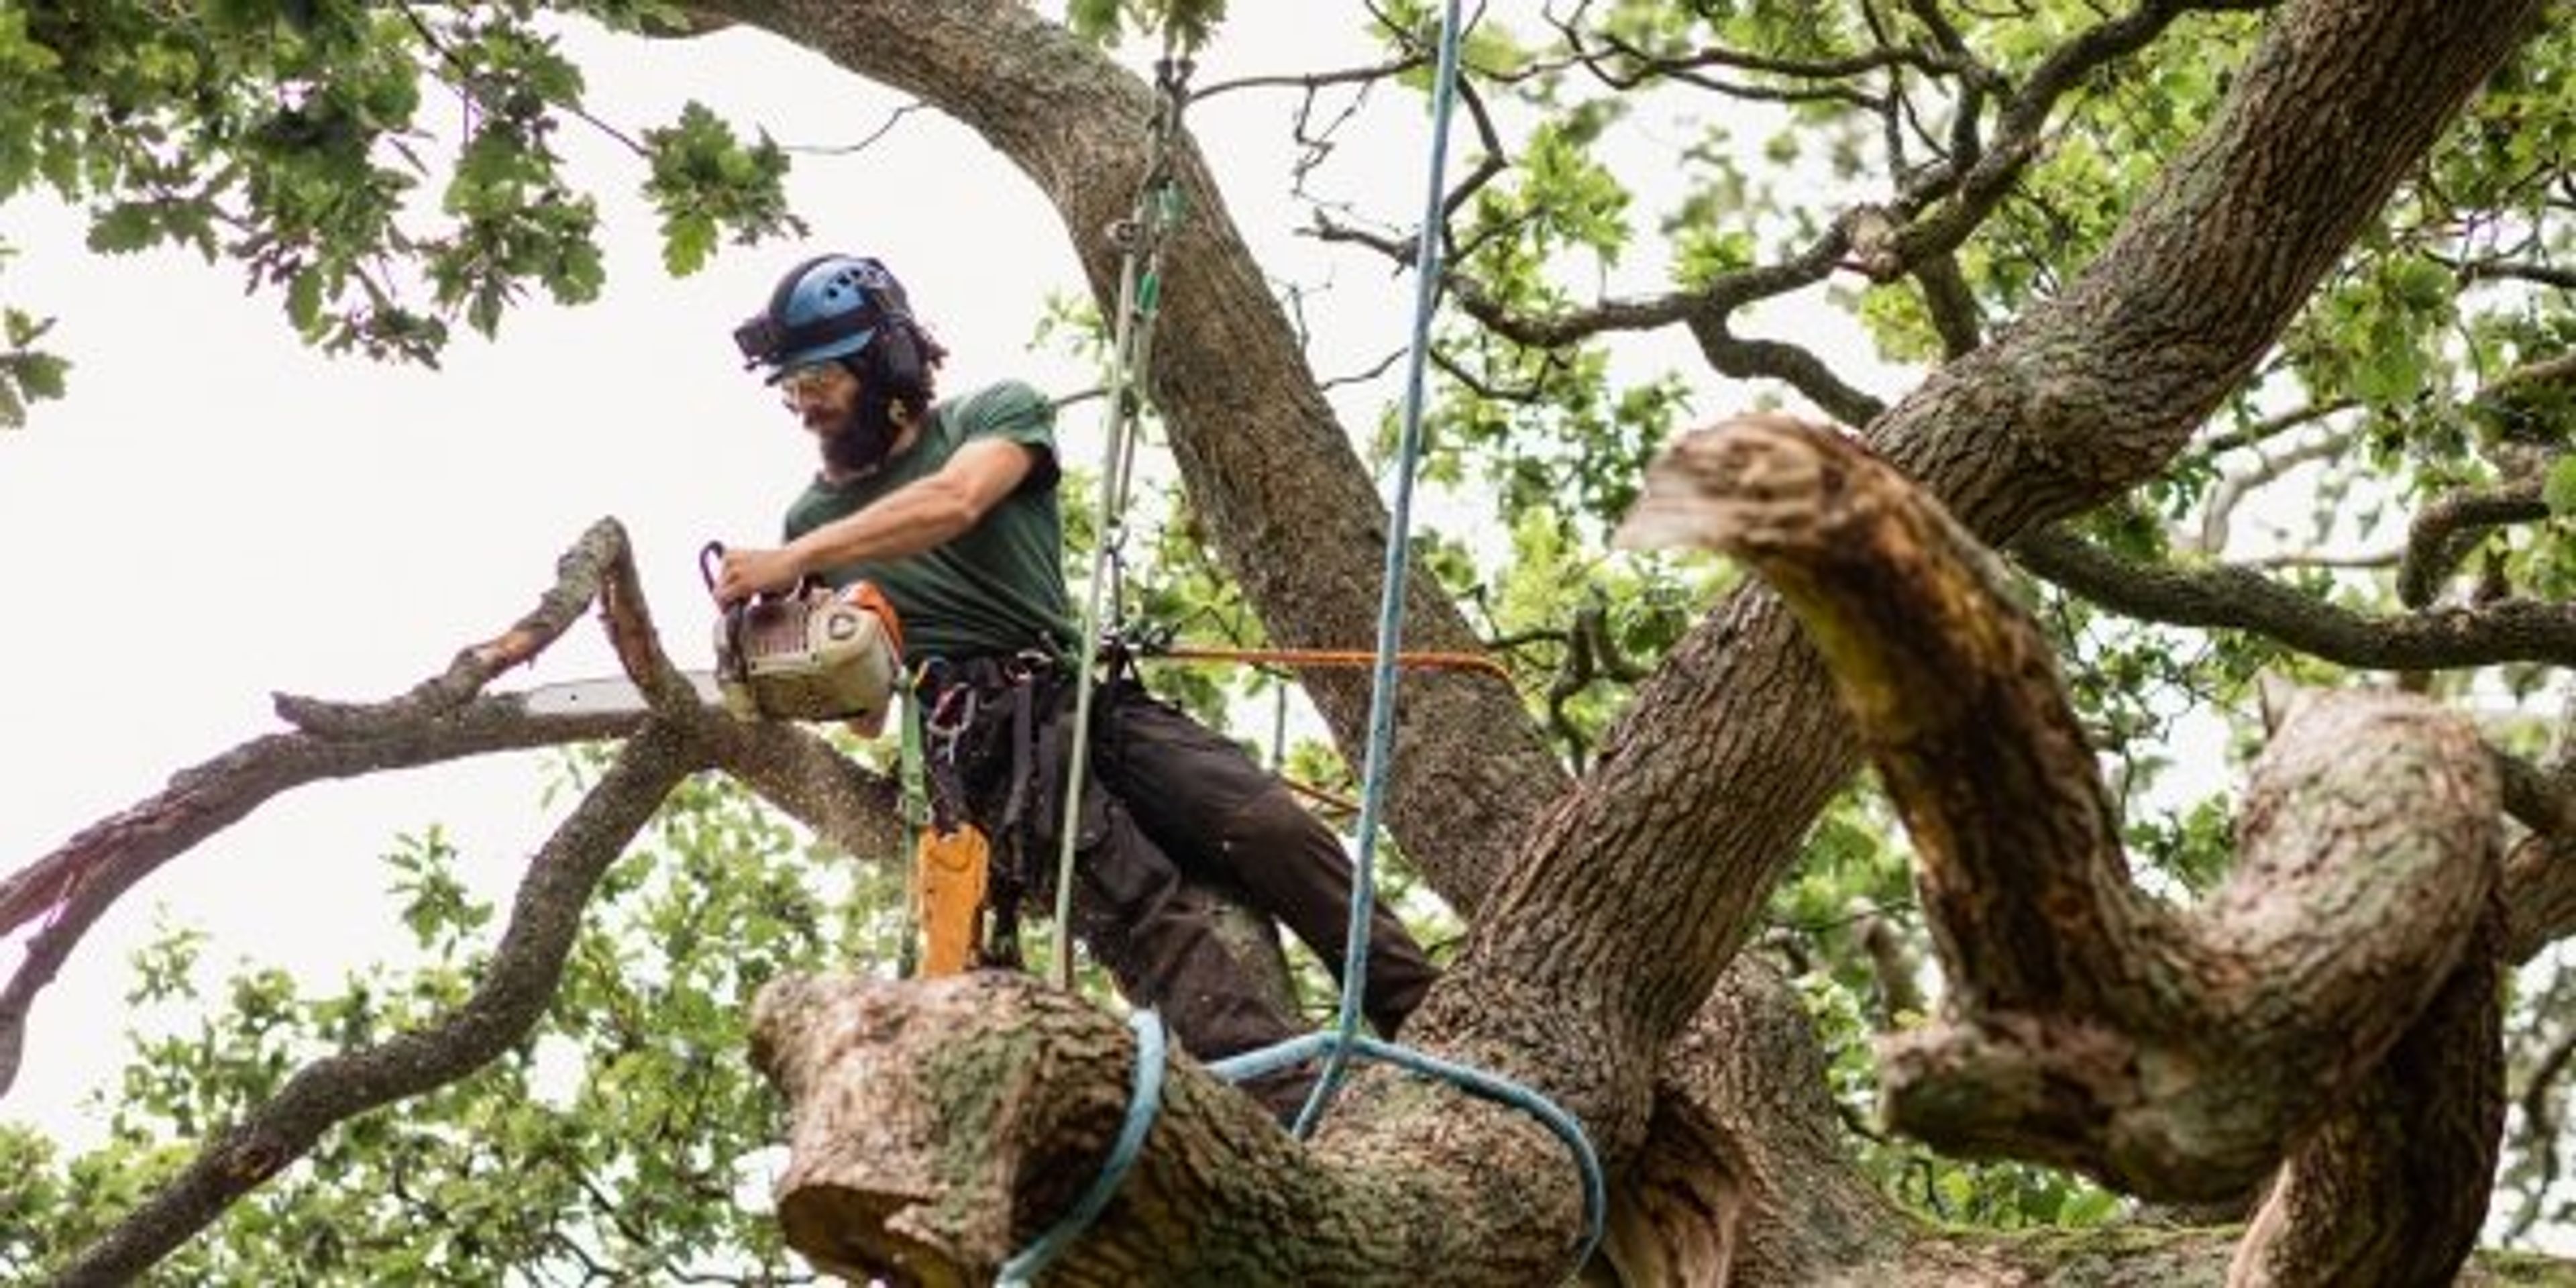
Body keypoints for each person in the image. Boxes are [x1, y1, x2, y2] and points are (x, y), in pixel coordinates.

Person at [710, 252, 1440, 1122]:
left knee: (1263, 820)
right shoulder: (812, 519)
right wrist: (804, 656)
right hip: (981, 744)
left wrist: (796, 561)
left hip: (1078, 697)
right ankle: (1294, 1107)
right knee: (1141, 905)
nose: (805, 404)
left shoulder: (992, 416)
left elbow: (955, 502)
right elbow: (869, 716)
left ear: (887, 362)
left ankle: (1427, 1015)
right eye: (791, 387)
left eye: (820, 377)